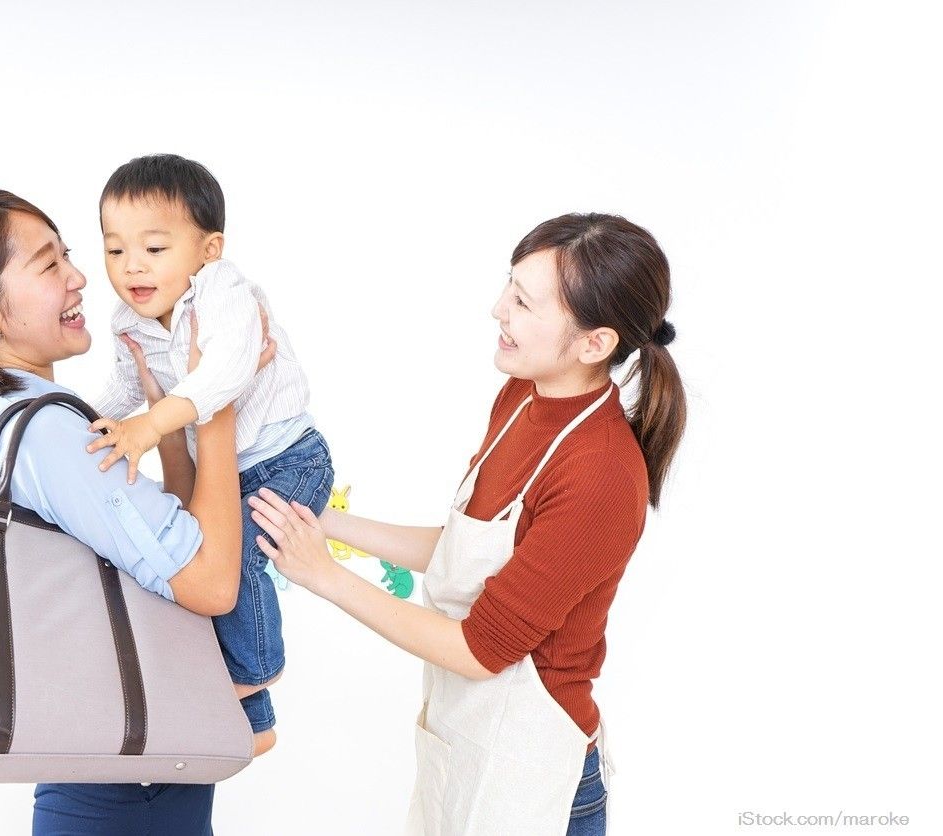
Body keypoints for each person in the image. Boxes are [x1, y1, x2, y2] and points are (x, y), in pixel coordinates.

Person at [247, 213, 686, 835]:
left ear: (594, 344)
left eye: (524, 302)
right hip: (467, 752)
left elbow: (481, 651)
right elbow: (465, 550)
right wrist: (327, 522)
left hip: (532, 776)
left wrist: (326, 577)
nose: (498, 309)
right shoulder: (522, 395)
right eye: (510, 286)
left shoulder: (601, 475)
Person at [0, 187, 267, 835]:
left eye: (67, 254)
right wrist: (218, 400)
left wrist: (170, 420)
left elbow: (178, 545)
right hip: (127, 790)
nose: (81, 276)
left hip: (120, 768)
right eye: (48, 265)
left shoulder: (4, 419)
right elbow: (209, 584)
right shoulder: (45, 433)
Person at [85, 154, 335, 757]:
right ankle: (255, 724)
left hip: (288, 458)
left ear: (209, 249)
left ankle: (256, 673)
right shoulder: (130, 319)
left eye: (154, 248)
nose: (132, 265)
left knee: (233, 561)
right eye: (115, 250)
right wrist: (84, 426)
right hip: (227, 471)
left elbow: (224, 373)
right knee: (198, 568)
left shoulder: (222, 292)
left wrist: (151, 426)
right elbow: (124, 388)